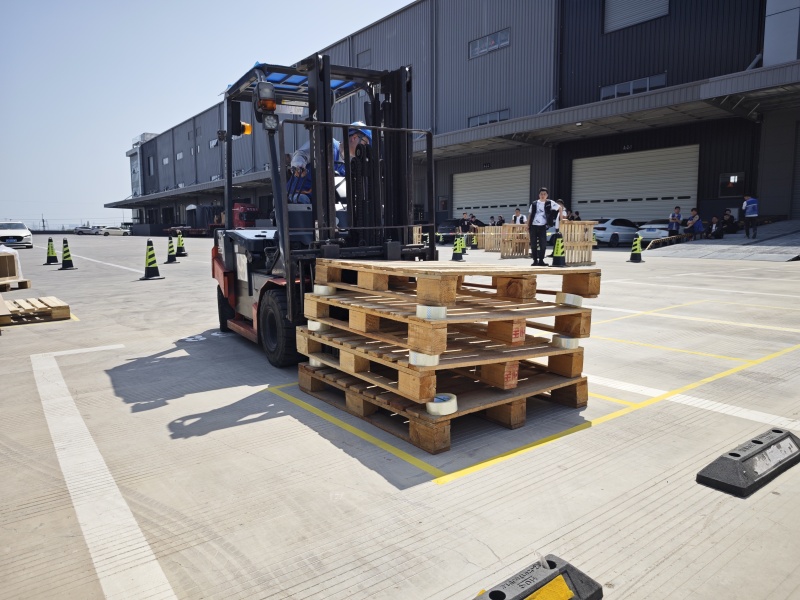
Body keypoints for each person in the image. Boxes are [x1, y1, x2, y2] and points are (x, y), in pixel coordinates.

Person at [287, 121, 372, 204]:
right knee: (303, 201)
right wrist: (299, 167)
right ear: (355, 137)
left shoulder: (345, 167)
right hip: (299, 194)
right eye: (365, 143)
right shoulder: (327, 145)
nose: (365, 149)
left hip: (321, 205)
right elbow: (302, 154)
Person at [527, 187, 560, 266]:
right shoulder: (534, 203)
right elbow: (530, 215)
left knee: (543, 244)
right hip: (533, 226)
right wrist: (527, 225)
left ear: (547, 195)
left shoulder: (549, 202)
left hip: (542, 227)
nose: (543, 195)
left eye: (544, 194)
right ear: (539, 195)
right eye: (541, 194)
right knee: (533, 244)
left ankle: (541, 260)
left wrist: (561, 219)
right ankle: (535, 260)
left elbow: (560, 208)